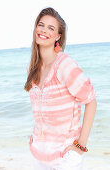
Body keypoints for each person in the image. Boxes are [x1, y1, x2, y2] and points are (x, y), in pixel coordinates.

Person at [24, 7, 97, 170]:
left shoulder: (65, 65)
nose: (43, 30)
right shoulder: (32, 68)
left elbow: (90, 101)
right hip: (38, 155)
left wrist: (81, 145)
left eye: (51, 28)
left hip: (64, 158)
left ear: (58, 36)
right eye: (41, 25)